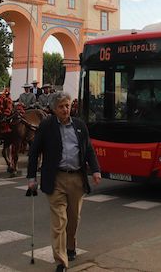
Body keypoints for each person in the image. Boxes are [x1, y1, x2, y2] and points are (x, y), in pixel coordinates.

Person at [27, 91, 101, 272]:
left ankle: (71, 246)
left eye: (67, 105)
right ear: (54, 109)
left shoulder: (80, 125)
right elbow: (34, 151)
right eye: (61, 106)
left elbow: (89, 149)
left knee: (73, 219)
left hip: (77, 178)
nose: (65, 109)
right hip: (56, 179)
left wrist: (96, 170)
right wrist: (31, 178)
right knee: (59, 221)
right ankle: (61, 261)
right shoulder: (46, 126)